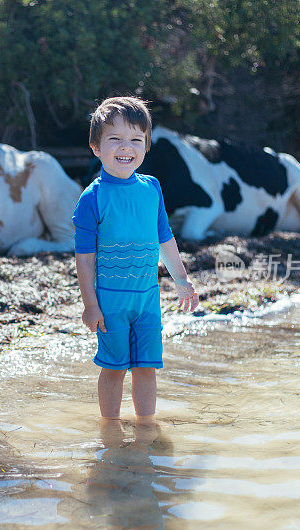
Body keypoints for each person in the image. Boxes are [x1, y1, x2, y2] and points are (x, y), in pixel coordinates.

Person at [73, 96, 199, 420]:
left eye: (135, 139)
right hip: (110, 302)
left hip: (147, 299)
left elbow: (165, 239)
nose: (125, 147)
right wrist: (90, 304)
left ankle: (146, 429)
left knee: (146, 366)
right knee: (114, 368)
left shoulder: (152, 188)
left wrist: (181, 279)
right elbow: (84, 259)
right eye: (114, 139)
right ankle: (110, 430)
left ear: (145, 146)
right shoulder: (93, 197)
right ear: (96, 147)